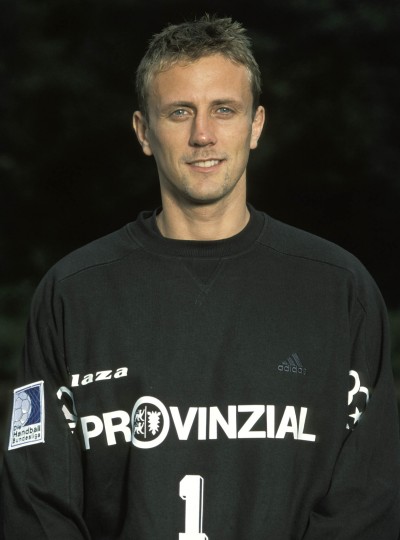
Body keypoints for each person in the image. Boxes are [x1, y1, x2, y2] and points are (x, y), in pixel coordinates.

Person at [1, 14, 399, 540]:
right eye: (180, 112)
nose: (202, 135)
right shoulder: (73, 293)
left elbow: (368, 500)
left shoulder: (340, 290)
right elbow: (37, 506)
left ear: (256, 125)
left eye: (224, 110)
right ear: (144, 131)